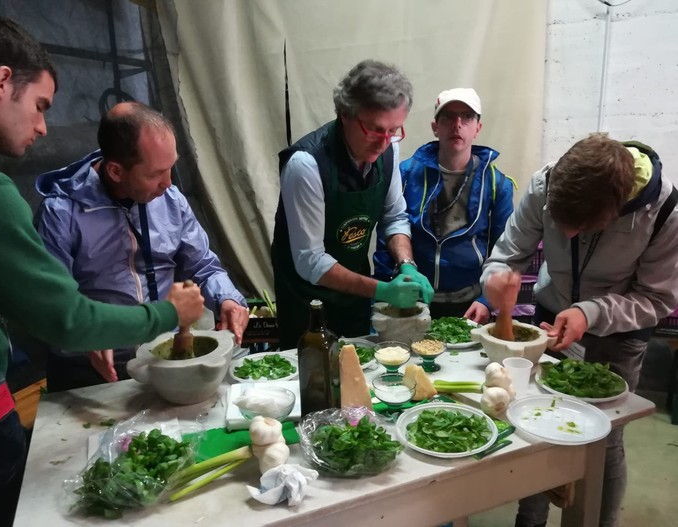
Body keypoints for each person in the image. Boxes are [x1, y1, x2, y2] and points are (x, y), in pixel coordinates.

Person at [0, 15, 203, 527]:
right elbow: (66, 320)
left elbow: (203, 262)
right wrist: (167, 313)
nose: (42, 128)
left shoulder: (172, 201)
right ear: (2, 80)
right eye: (40, 106)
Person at [481, 133, 678, 527]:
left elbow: (657, 301)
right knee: (534, 420)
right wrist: (495, 279)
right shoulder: (544, 185)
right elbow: (507, 253)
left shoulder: (665, 211)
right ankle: (530, 520)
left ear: (616, 210)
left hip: (619, 332)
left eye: (581, 227)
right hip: (549, 319)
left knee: (605, 440)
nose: (566, 235)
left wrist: (590, 312)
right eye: (560, 222)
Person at [36, 101, 249, 392]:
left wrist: (228, 299)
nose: (168, 183)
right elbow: (53, 308)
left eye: (171, 167)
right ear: (115, 171)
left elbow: (203, 265)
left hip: (164, 358)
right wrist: (88, 338)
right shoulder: (62, 212)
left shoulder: (170, 200)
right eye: (154, 174)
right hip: (90, 372)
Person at [271, 59, 434, 350]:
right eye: (374, 130)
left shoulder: (388, 151)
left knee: (359, 374)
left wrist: (406, 264)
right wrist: (383, 289)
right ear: (344, 114)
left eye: (393, 130)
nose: (384, 142)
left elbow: (394, 217)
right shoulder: (306, 164)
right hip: (306, 302)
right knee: (315, 380)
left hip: (353, 295)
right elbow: (311, 261)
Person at [374, 88, 514, 323]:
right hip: (413, 301)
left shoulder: (496, 183)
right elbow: (387, 234)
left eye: (467, 117)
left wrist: (487, 300)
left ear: (477, 128)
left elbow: (505, 251)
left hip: (470, 305)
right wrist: (384, 292)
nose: (457, 124)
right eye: (448, 116)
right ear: (435, 126)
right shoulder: (405, 174)